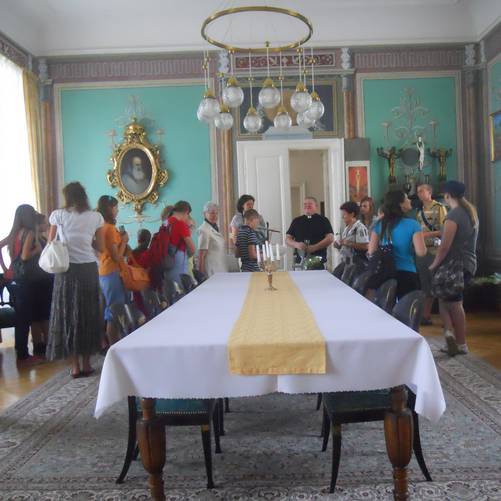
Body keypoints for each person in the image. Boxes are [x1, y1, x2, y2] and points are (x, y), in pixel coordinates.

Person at [47, 182, 104, 377]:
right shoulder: (95, 217)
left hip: (66, 270)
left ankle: (75, 366)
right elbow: (101, 247)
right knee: (88, 315)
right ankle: (87, 364)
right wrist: (86, 239)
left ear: (67, 197)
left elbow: (51, 242)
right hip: (88, 269)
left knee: (68, 316)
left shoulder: (58, 215)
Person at [429, 180, 478, 356]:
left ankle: (461, 342)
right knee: (444, 299)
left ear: (447, 195)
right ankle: (449, 335)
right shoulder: (469, 212)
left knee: (455, 304)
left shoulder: (454, 215)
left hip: (456, 265)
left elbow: (445, 246)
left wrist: (434, 264)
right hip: (467, 263)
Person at [5, 205, 51, 364]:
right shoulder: (29, 233)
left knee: (22, 318)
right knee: (25, 320)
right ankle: (23, 356)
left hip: (16, 278)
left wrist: (6, 267)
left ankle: (22, 353)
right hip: (27, 280)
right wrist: (37, 250)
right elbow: (25, 256)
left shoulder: (14, 233)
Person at [369, 190, 426, 299]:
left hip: (384, 274)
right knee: (406, 307)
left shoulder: (380, 224)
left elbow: (371, 251)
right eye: (406, 198)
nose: (409, 200)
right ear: (400, 204)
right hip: (407, 273)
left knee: (385, 307)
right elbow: (421, 252)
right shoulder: (413, 224)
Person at [97, 195, 129, 347]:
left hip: (107, 272)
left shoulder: (103, 226)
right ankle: (113, 346)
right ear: (110, 209)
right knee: (114, 310)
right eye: (116, 207)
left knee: (114, 308)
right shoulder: (109, 229)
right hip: (111, 272)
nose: (117, 210)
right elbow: (116, 257)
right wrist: (125, 242)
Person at [416, 184, 447, 325]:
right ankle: (426, 315)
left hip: (435, 251)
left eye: (422, 191)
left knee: (437, 284)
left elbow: (445, 230)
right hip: (422, 251)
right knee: (425, 285)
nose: (419, 193)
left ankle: (446, 319)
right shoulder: (419, 211)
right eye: (418, 192)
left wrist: (427, 235)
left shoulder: (439, 208)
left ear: (429, 192)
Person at [286, 196, 334, 266]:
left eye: (310, 204)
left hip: (318, 259)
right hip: (300, 259)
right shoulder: (296, 221)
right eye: (305, 204)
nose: (307, 206)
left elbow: (330, 238)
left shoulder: (323, 220)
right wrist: (297, 244)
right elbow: (288, 239)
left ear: (316, 206)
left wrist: (314, 247)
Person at [164, 200, 196, 283]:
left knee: (170, 286)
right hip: (179, 260)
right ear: (186, 212)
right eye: (188, 215)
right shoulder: (180, 224)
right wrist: (188, 256)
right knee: (181, 286)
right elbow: (192, 249)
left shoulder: (165, 222)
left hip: (166, 260)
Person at [197, 202, 228, 277]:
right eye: (212, 213)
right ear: (204, 214)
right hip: (211, 271)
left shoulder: (215, 228)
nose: (215, 216)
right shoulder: (204, 230)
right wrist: (201, 276)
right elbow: (201, 256)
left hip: (220, 268)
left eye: (217, 213)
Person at [333, 201, 369, 266]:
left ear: (352, 214)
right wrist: (339, 245)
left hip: (356, 264)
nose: (342, 217)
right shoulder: (346, 229)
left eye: (344, 214)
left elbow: (365, 246)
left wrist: (348, 243)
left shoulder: (360, 228)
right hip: (346, 262)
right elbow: (345, 247)